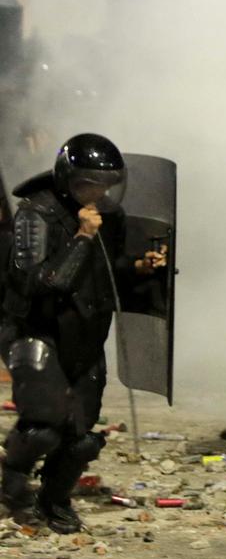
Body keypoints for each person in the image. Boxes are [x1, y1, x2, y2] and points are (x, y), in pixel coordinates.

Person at [0, 134, 164, 532]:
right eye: (89, 184)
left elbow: (103, 274)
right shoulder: (36, 214)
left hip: (86, 337)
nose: (98, 192)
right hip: (37, 331)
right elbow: (42, 283)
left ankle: (54, 500)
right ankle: (9, 485)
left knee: (82, 436)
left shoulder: (108, 216)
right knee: (43, 425)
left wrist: (139, 267)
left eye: (106, 184)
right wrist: (83, 237)